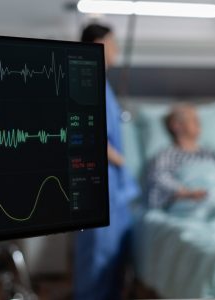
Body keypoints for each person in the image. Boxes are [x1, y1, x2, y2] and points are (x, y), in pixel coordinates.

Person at [74, 24, 140, 300]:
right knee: (97, 256)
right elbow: (84, 131)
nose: (116, 50)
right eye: (113, 43)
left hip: (115, 187)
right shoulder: (84, 80)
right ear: (98, 44)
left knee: (113, 258)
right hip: (99, 182)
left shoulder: (104, 86)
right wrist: (119, 158)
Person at [146, 104, 215, 209]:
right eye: (193, 120)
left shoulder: (210, 154)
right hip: (192, 203)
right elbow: (159, 180)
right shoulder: (166, 155)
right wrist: (188, 193)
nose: (199, 123)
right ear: (176, 125)